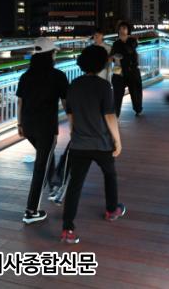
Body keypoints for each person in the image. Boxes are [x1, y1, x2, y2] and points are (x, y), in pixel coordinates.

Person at [61, 45, 125, 244]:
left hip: (79, 143)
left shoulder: (74, 85)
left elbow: (70, 114)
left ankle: (67, 228)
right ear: (101, 64)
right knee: (110, 175)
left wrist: (74, 133)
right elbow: (109, 116)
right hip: (101, 143)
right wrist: (117, 141)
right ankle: (112, 210)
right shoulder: (104, 86)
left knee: (75, 185)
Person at [16, 37, 69, 224]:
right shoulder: (58, 76)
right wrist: (74, 122)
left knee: (45, 157)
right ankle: (31, 211)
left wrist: (19, 125)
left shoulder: (25, 76)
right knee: (41, 166)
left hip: (28, 127)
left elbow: (20, 102)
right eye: (54, 52)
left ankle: (54, 185)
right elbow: (66, 102)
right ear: (50, 54)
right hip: (46, 128)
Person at [110, 21, 143, 117]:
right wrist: (114, 57)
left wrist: (124, 41)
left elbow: (129, 50)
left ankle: (138, 109)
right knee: (117, 92)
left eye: (124, 28)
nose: (122, 31)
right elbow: (112, 57)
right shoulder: (116, 43)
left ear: (128, 31)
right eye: (120, 29)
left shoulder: (132, 41)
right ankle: (116, 114)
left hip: (132, 70)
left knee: (135, 92)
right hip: (119, 70)